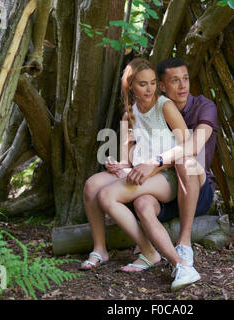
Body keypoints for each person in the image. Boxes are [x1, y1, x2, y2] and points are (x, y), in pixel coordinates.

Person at [80, 58, 201, 291]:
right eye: (143, 84)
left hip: (168, 176)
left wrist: (153, 164)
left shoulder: (165, 106)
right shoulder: (129, 115)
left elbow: (187, 146)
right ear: (130, 86)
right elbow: (127, 162)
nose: (150, 89)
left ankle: (160, 257)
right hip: (143, 175)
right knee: (92, 185)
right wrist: (117, 167)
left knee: (107, 196)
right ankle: (100, 249)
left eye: (153, 83)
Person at [126, 58, 218, 290]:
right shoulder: (152, 108)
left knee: (184, 161)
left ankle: (184, 242)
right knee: (142, 202)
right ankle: (167, 260)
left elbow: (193, 147)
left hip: (197, 190)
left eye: (185, 79)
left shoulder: (204, 106)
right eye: (175, 81)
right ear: (162, 86)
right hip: (165, 191)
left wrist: (154, 162)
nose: (183, 86)